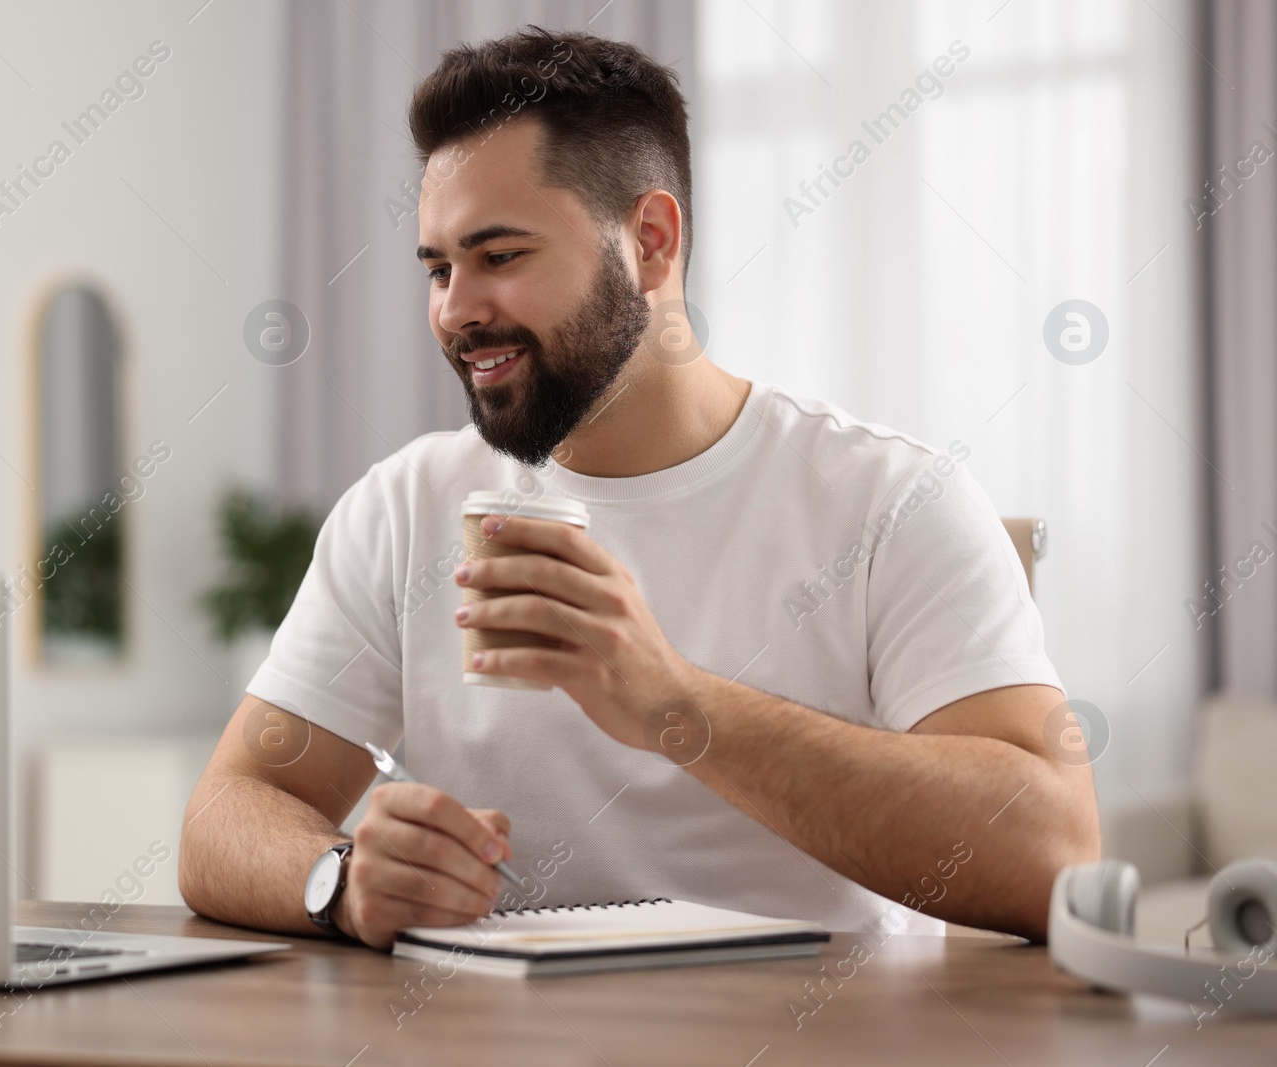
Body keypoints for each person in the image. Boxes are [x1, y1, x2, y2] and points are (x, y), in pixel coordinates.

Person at [179, 26, 1099, 950]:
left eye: (499, 257)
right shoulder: (402, 507)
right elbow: (228, 811)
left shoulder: (891, 501)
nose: (456, 310)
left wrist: (672, 704)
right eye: (438, 267)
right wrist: (337, 879)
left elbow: (1055, 851)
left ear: (651, 243)